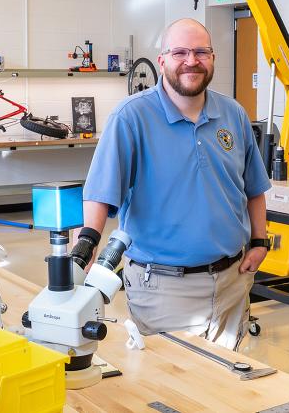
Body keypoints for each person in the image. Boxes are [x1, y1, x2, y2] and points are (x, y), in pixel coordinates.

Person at [80, 18, 271, 350]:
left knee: (225, 389)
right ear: (162, 61)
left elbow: (253, 186)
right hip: (163, 288)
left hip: (232, 281)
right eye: (180, 52)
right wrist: (86, 248)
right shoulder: (131, 117)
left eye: (201, 52)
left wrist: (259, 241)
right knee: (171, 391)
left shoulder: (233, 114)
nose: (191, 61)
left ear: (212, 58)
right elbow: (100, 192)